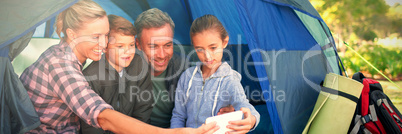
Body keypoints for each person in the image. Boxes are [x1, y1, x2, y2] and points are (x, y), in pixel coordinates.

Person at [19, 1, 217, 133]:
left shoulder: (70, 56)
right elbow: (101, 116)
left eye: (105, 36)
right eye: (95, 37)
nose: (104, 44)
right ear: (72, 34)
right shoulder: (61, 66)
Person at [170, 14, 260, 133]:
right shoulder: (187, 76)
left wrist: (252, 120)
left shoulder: (230, 79)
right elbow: (178, 116)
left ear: (224, 42)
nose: (207, 56)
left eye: (213, 48)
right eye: (200, 49)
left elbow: (244, 105)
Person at [79, 14, 154, 134]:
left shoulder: (140, 64)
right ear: (105, 47)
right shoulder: (91, 77)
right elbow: (90, 125)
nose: (128, 51)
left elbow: (143, 109)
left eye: (131, 45)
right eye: (120, 46)